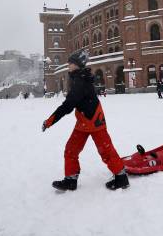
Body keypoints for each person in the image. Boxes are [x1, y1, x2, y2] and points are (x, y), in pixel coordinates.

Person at [42, 50, 129, 191]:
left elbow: (68, 105)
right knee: (71, 149)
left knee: (106, 150)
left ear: (77, 65)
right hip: (83, 120)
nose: (68, 65)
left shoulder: (80, 81)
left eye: (70, 63)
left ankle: (121, 177)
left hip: (94, 120)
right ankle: (70, 180)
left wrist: (50, 121)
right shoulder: (78, 78)